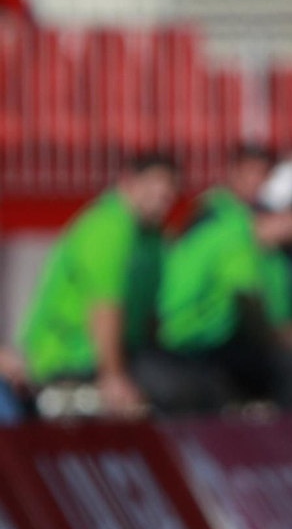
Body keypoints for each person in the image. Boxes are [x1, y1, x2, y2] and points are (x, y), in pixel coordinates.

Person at [139, 160, 292, 414]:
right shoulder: (235, 240)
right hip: (188, 352)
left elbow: (277, 326)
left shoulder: (274, 260)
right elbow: (260, 329)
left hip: (217, 348)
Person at [18, 153, 180, 417]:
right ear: (129, 182)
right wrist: (113, 377)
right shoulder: (109, 228)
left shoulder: (151, 238)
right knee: (169, 391)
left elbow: (149, 314)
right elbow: (105, 306)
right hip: (69, 357)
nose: (163, 195)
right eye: (154, 184)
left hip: (117, 353)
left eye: (169, 187)